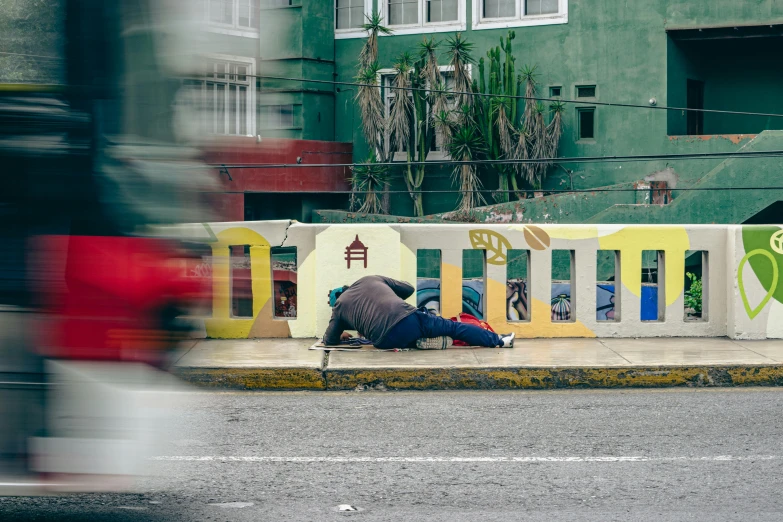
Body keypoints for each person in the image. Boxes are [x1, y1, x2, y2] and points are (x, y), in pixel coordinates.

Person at [323, 275, 515, 349]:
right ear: (348, 286)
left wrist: (342, 332)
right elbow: (408, 289)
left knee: (404, 337)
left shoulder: (339, 308)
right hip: (407, 318)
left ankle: (415, 343)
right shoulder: (369, 279)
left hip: (383, 341)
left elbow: (329, 340)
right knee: (453, 327)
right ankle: (500, 341)